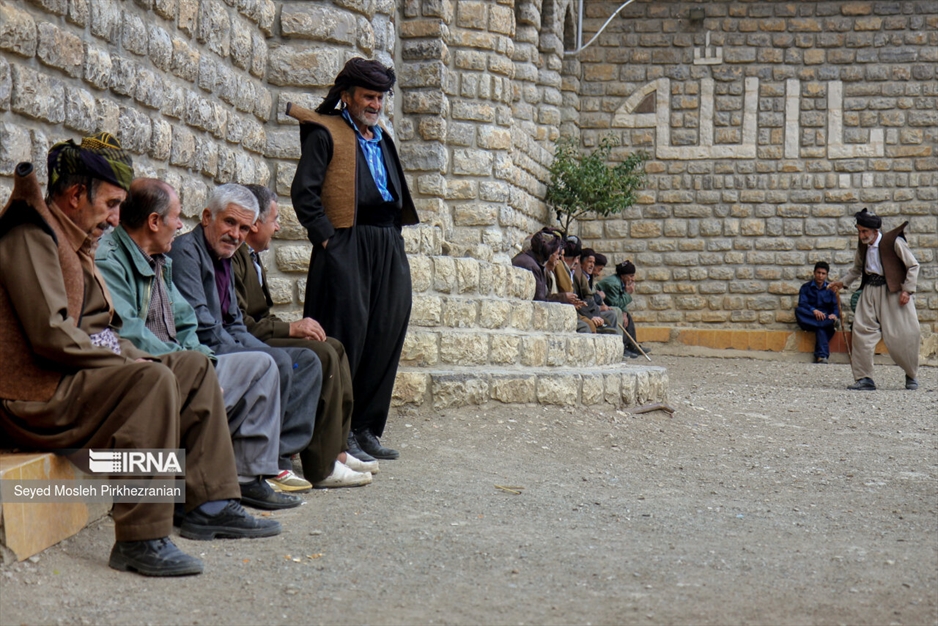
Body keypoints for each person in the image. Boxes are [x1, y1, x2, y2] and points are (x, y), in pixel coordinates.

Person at [0, 135, 278, 578]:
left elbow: (101, 332)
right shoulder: (30, 234)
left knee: (190, 366)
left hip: (69, 381)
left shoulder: (74, 242)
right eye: (110, 205)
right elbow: (50, 334)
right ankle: (141, 538)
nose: (115, 219)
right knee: (152, 381)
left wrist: (130, 355)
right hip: (35, 396)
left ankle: (209, 502)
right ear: (75, 196)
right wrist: (127, 364)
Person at [95, 179, 301, 509]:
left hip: (181, 364)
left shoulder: (160, 259)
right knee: (255, 368)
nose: (180, 225)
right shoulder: (111, 260)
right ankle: (204, 496)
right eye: (176, 217)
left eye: (243, 227)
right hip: (152, 370)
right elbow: (131, 334)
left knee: (263, 366)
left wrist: (202, 362)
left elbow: (187, 323)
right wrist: (194, 368)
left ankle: (246, 478)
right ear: (153, 222)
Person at [288, 57, 419, 461]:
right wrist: (329, 241)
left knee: (385, 332)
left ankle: (365, 428)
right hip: (346, 245)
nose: (376, 105)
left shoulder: (381, 138)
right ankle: (336, 432)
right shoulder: (326, 133)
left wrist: (393, 242)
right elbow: (303, 194)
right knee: (347, 335)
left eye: (380, 98)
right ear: (347, 97)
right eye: (368, 96)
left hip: (386, 244)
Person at [168, 184, 323, 491]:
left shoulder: (225, 254)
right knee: (273, 362)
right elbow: (205, 329)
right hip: (204, 350)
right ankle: (260, 469)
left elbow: (235, 324)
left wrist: (263, 353)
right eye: (229, 223)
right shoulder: (187, 252)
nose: (236, 235)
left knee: (304, 360)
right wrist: (262, 357)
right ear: (207, 217)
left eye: (243, 227)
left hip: (224, 342)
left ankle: (277, 456)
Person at [232, 183, 375, 488]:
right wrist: (291, 328)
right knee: (319, 356)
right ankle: (320, 465)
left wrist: (293, 328)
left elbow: (260, 315)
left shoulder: (253, 257)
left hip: (258, 332)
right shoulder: (235, 258)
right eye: (274, 220)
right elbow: (241, 323)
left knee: (333, 346)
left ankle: (336, 449)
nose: (278, 226)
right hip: (245, 339)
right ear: (256, 223)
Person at [829, 208, 921, 391]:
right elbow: (857, 269)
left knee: (904, 334)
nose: (862, 235)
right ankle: (864, 378)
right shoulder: (863, 246)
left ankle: (911, 374)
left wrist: (907, 290)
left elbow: (913, 265)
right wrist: (842, 283)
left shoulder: (893, 242)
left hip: (893, 291)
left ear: (875, 231)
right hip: (870, 290)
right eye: (860, 231)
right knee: (861, 332)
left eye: (865, 231)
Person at [596, 260, 650, 358]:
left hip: (611, 306)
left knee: (627, 317)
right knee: (618, 314)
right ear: (623, 276)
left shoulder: (620, 282)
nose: (633, 279)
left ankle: (632, 345)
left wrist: (625, 312)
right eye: (631, 276)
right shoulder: (613, 284)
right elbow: (615, 302)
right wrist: (627, 294)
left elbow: (620, 301)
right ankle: (624, 346)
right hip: (601, 307)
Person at [795, 261, 840, 364]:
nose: (820, 276)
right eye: (818, 272)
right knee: (799, 311)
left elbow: (836, 307)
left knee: (820, 328)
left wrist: (834, 315)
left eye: (823, 273)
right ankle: (828, 322)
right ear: (814, 273)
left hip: (824, 318)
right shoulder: (805, 287)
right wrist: (814, 310)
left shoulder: (831, 289)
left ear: (826, 275)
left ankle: (822, 356)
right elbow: (802, 304)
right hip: (810, 319)